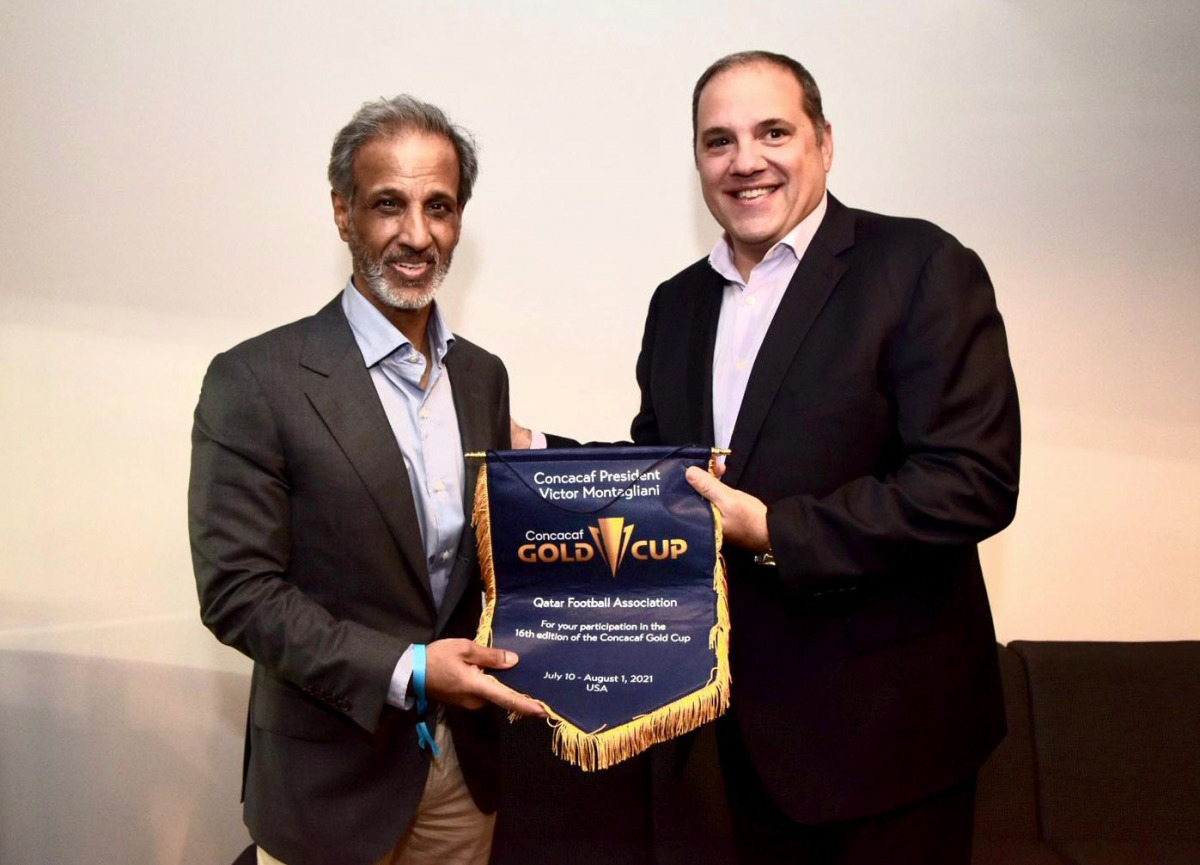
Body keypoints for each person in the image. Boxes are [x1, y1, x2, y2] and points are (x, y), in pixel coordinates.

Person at [523, 49, 1020, 865]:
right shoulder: (677, 303)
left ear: (824, 141)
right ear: (697, 161)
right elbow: (665, 469)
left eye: (773, 131)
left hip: (895, 740)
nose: (745, 160)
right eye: (719, 141)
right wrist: (535, 455)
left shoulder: (921, 268)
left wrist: (778, 530)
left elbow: (973, 481)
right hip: (745, 737)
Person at [189, 95, 544, 865]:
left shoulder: (484, 377)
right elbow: (238, 592)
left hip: (460, 777)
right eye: (389, 204)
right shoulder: (256, 380)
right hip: (329, 783)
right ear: (343, 212)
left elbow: (482, 566)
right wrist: (411, 668)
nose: (417, 234)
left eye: (439, 206)